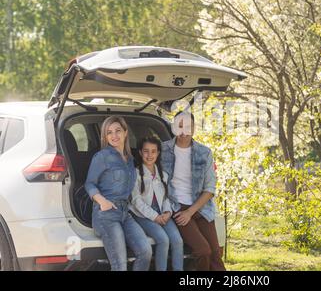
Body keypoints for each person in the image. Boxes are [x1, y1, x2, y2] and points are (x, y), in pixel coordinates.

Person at [84, 116, 152, 271]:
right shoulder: (102, 157)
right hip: (106, 215)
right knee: (120, 265)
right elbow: (90, 183)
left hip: (124, 212)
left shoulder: (130, 159)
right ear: (105, 137)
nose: (114, 136)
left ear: (126, 132)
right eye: (109, 132)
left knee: (145, 251)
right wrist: (103, 202)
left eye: (118, 131)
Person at [161, 111, 226, 271]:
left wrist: (190, 211)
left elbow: (210, 188)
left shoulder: (204, 152)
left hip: (201, 208)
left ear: (194, 128)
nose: (184, 132)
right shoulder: (163, 150)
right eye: (180, 126)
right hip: (178, 207)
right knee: (203, 251)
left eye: (188, 127)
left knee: (215, 253)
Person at [129, 136, 184, 271]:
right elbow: (136, 201)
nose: (150, 155)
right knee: (163, 240)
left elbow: (166, 196)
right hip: (143, 214)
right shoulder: (135, 174)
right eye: (146, 151)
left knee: (177, 241)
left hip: (162, 212)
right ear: (141, 153)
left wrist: (167, 212)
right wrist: (155, 217)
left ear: (158, 153)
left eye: (153, 151)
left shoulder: (162, 174)